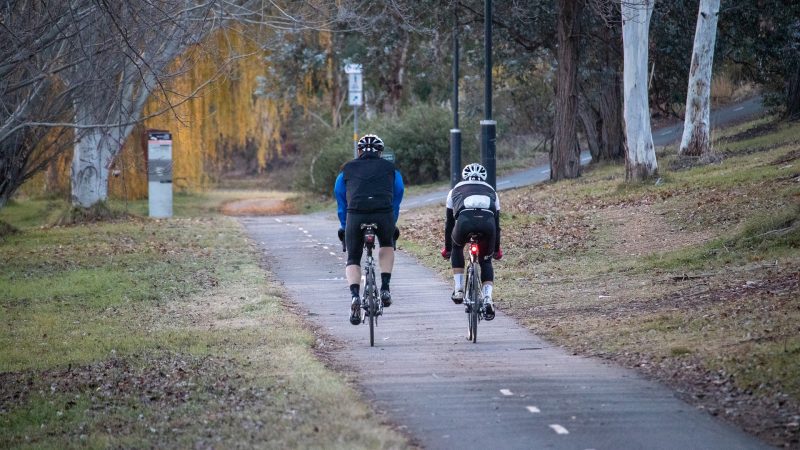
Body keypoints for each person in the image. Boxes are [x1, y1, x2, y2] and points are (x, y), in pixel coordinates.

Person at [334, 134, 404, 325]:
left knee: (353, 258)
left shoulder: (346, 170)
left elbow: (341, 201)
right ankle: (386, 288)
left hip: (356, 215)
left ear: (359, 151)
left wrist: (344, 225)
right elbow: (397, 197)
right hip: (383, 215)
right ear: (380, 153)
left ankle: (355, 296)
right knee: (387, 244)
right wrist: (392, 222)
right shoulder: (391, 170)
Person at [441, 163, 503, 320]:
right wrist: (496, 250)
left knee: (457, 247)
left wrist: (448, 249)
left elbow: (449, 224)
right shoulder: (492, 192)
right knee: (486, 261)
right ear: (483, 177)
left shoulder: (454, 191)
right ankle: (488, 298)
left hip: (464, 223)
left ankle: (459, 288)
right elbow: (497, 225)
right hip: (487, 226)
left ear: (464, 177)